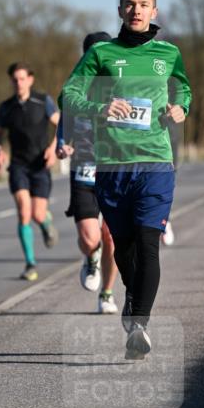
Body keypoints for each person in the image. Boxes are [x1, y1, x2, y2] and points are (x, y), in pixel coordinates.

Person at [61, 0, 191, 359]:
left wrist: (181, 108)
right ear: (120, 11)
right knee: (124, 247)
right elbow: (69, 95)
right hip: (112, 166)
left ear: (154, 11)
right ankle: (133, 297)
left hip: (155, 163)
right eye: (130, 4)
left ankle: (139, 325)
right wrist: (99, 108)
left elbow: (183, 90)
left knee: (149, 244)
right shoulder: (101, 54)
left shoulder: (168, 53)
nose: (136, 10)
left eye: (144, 4)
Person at [56, 32, 119, 313]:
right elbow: (64, 122)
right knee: (91, 239)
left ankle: (107, 294)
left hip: (114, 170)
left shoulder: (120, 86)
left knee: (111, 238)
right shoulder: (75, 89)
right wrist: (62, 145)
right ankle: (90, 257)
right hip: (83, 169)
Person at [0, 63, 59, 282]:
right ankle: (30, 263)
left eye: (22, 79)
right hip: (19, 166)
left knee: (37, 215)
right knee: (24, 212)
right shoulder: (6, 107)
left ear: (30, 79)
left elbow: (61, 125)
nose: (18, 83)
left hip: (40, 165)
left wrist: (53, 149)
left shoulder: (43, 101)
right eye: (15, 80)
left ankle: (45, 222)